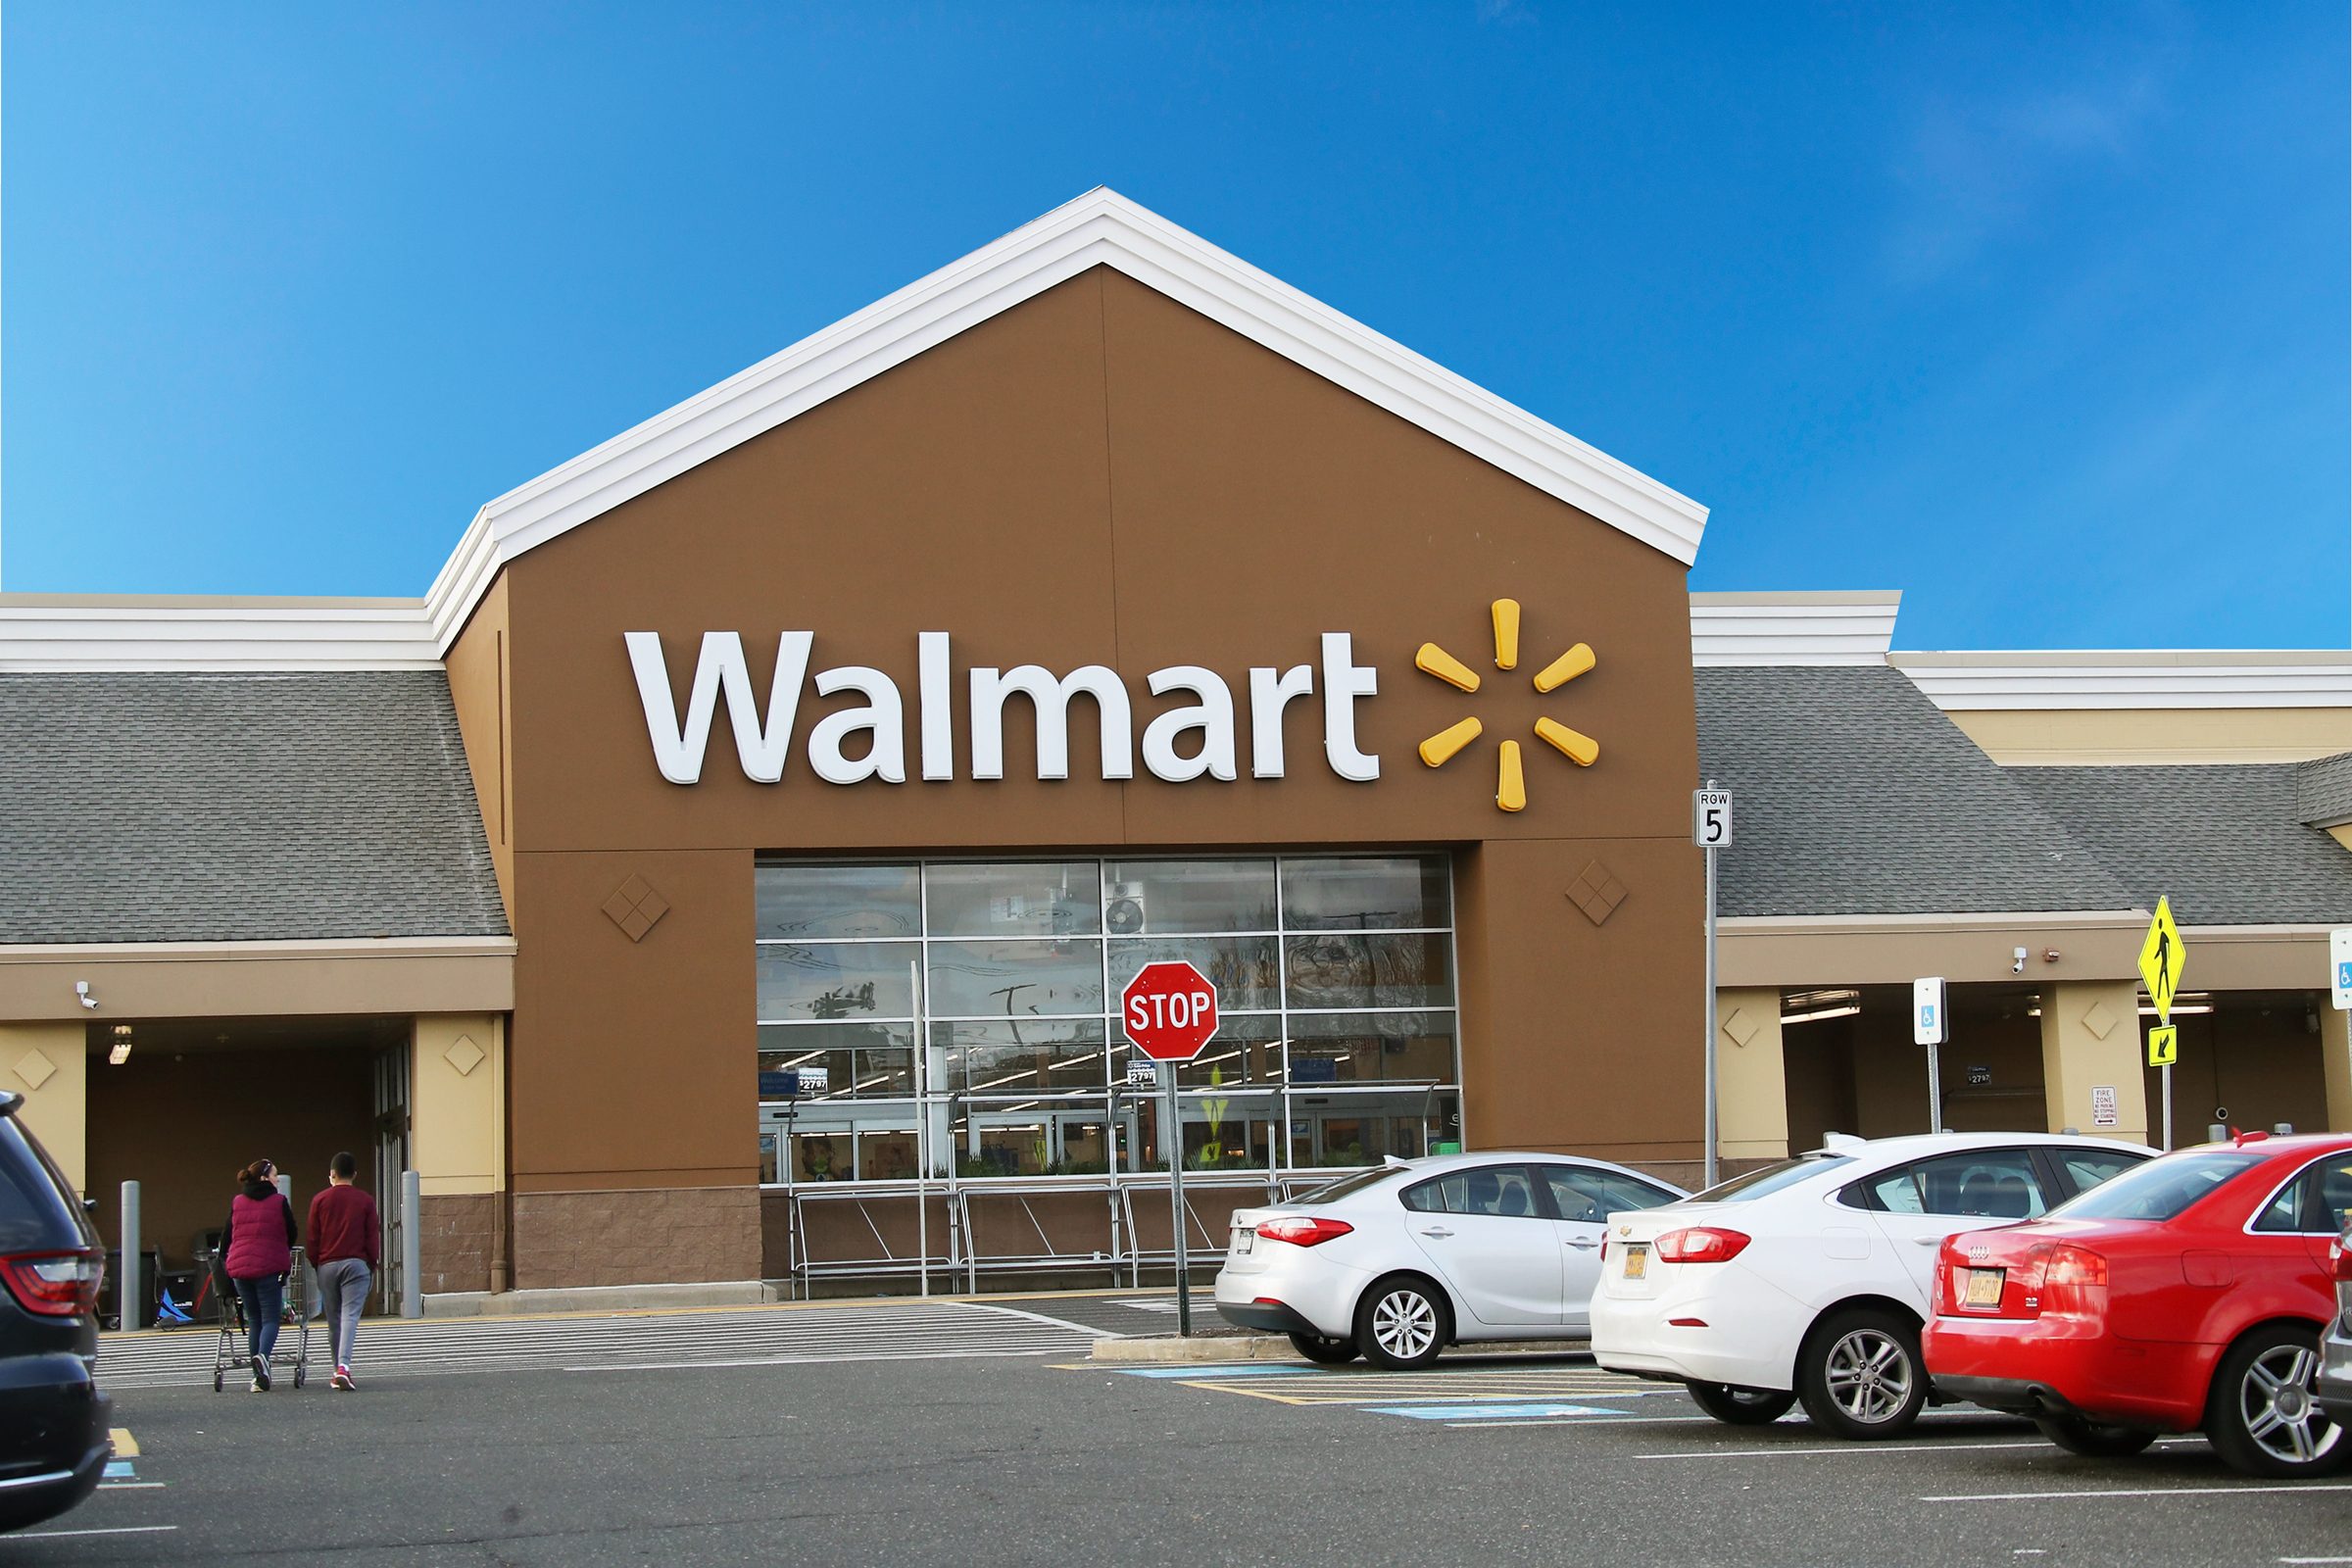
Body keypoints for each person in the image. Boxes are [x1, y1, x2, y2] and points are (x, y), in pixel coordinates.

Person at [305, 1152, 380, 1391]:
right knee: (350, 1316)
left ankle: (337, 1367)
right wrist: (371, 1263)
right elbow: (372, 1237)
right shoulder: (365, 1200)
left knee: (334, 1319)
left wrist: (317, 1262)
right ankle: (344, 1367)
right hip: (356, 1264)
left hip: (327, 1265)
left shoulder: (319, 1200)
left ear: (332, 1174)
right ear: (355, 1175)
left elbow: (312, 1237)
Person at [220, 1158, 296, 1393]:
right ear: (265, 1178)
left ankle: (257, 1379)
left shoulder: (238, 1201)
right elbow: (291, 1232)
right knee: (271, 1319)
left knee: (254, 1320)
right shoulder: (278, 1201)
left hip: (240, 1270)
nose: (277, 1179)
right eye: (275, 1175)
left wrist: (226, 1259)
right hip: (268, 1269)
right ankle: (263, 1358)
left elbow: (227, 1235)